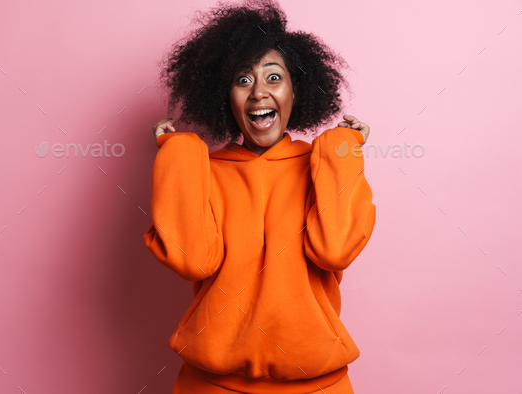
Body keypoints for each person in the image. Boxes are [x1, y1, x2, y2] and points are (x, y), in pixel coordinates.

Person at [143, 0, 376, 392]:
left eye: (273, 78)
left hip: (319, 384)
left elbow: (335, 250)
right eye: (243, 80)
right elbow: (193, 260)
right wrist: (178, 155)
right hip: (211, 384)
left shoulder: (322, 165)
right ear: (224, 96)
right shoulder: (204, 172)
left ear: (295, 90)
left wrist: (342, 149)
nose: (258, 94)